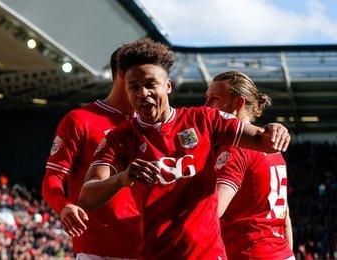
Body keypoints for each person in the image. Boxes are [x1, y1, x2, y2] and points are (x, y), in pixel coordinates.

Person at [78, 39, 291, 259]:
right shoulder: (119, 138)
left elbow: (264, 141)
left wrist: (276, 128)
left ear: (168, 85)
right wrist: (122, 178)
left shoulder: (204, 120)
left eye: (151, 84)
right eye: (134, 87)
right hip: (156, 254)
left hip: (207, 254)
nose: (143, 93)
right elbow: (86, 196)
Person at [41, 49, 141, 259]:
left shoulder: (151, 126)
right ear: (122, 73)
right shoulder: (80, 120)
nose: (147, 90)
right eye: (141, 79)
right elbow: (52, 180)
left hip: (146, 249)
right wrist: (65, 206)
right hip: (98, 249)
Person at [206, 71, 294, 259]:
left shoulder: (235, 150)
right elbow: (285, 219)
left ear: (238, 103)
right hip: (282, 253)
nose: (206, 107)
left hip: (248, 253)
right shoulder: (274, 149)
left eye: (214, 99)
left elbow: (213, 212)